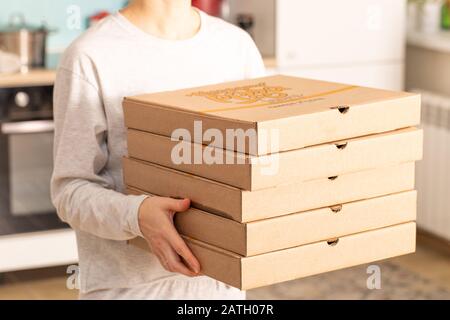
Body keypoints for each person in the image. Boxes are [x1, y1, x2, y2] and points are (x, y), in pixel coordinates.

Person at [51, 0, 265, 299]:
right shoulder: (90, 55)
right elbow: (69, 191)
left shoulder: (236, 47)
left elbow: (258, 164)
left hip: (220, 290)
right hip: (130, 291)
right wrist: (136, 215)